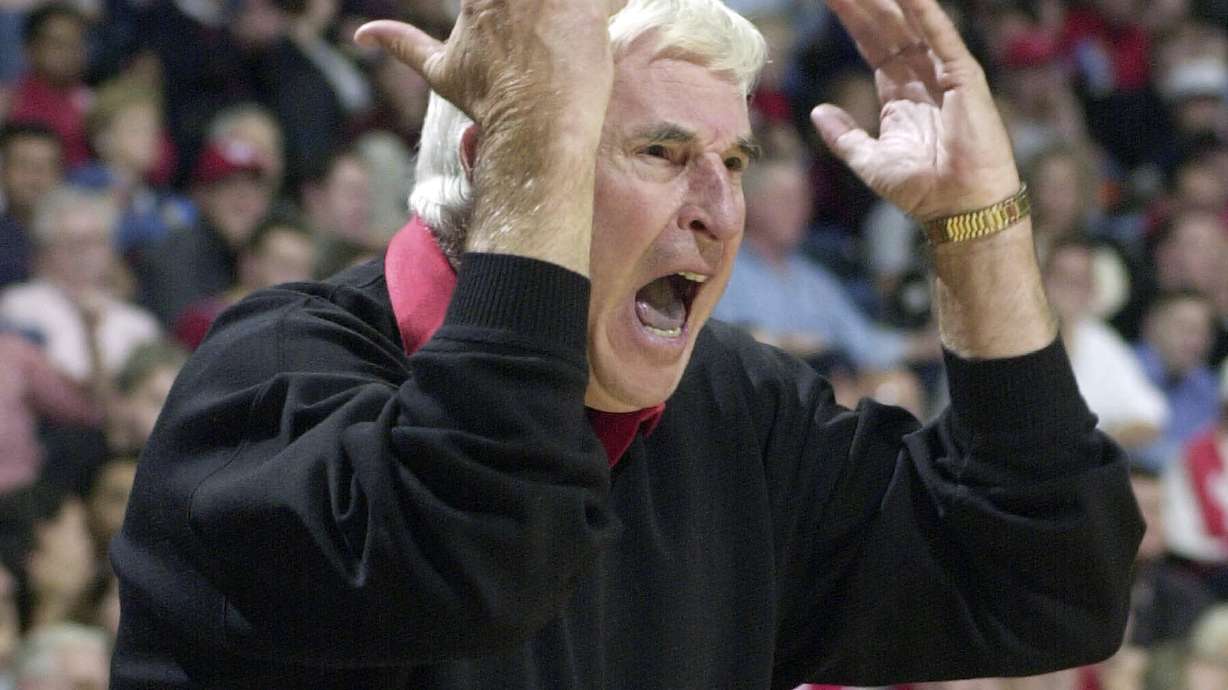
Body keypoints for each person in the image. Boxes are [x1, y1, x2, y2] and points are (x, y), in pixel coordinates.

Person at [111, 0, 1142, 687]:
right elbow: (478, 551)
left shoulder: (740, 412)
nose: (719, 209)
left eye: (734, 161)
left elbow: (1046, 582)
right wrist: (537, 158)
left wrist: (977, 225)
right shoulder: (268, 383)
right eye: (660, 152)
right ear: (500, 162)